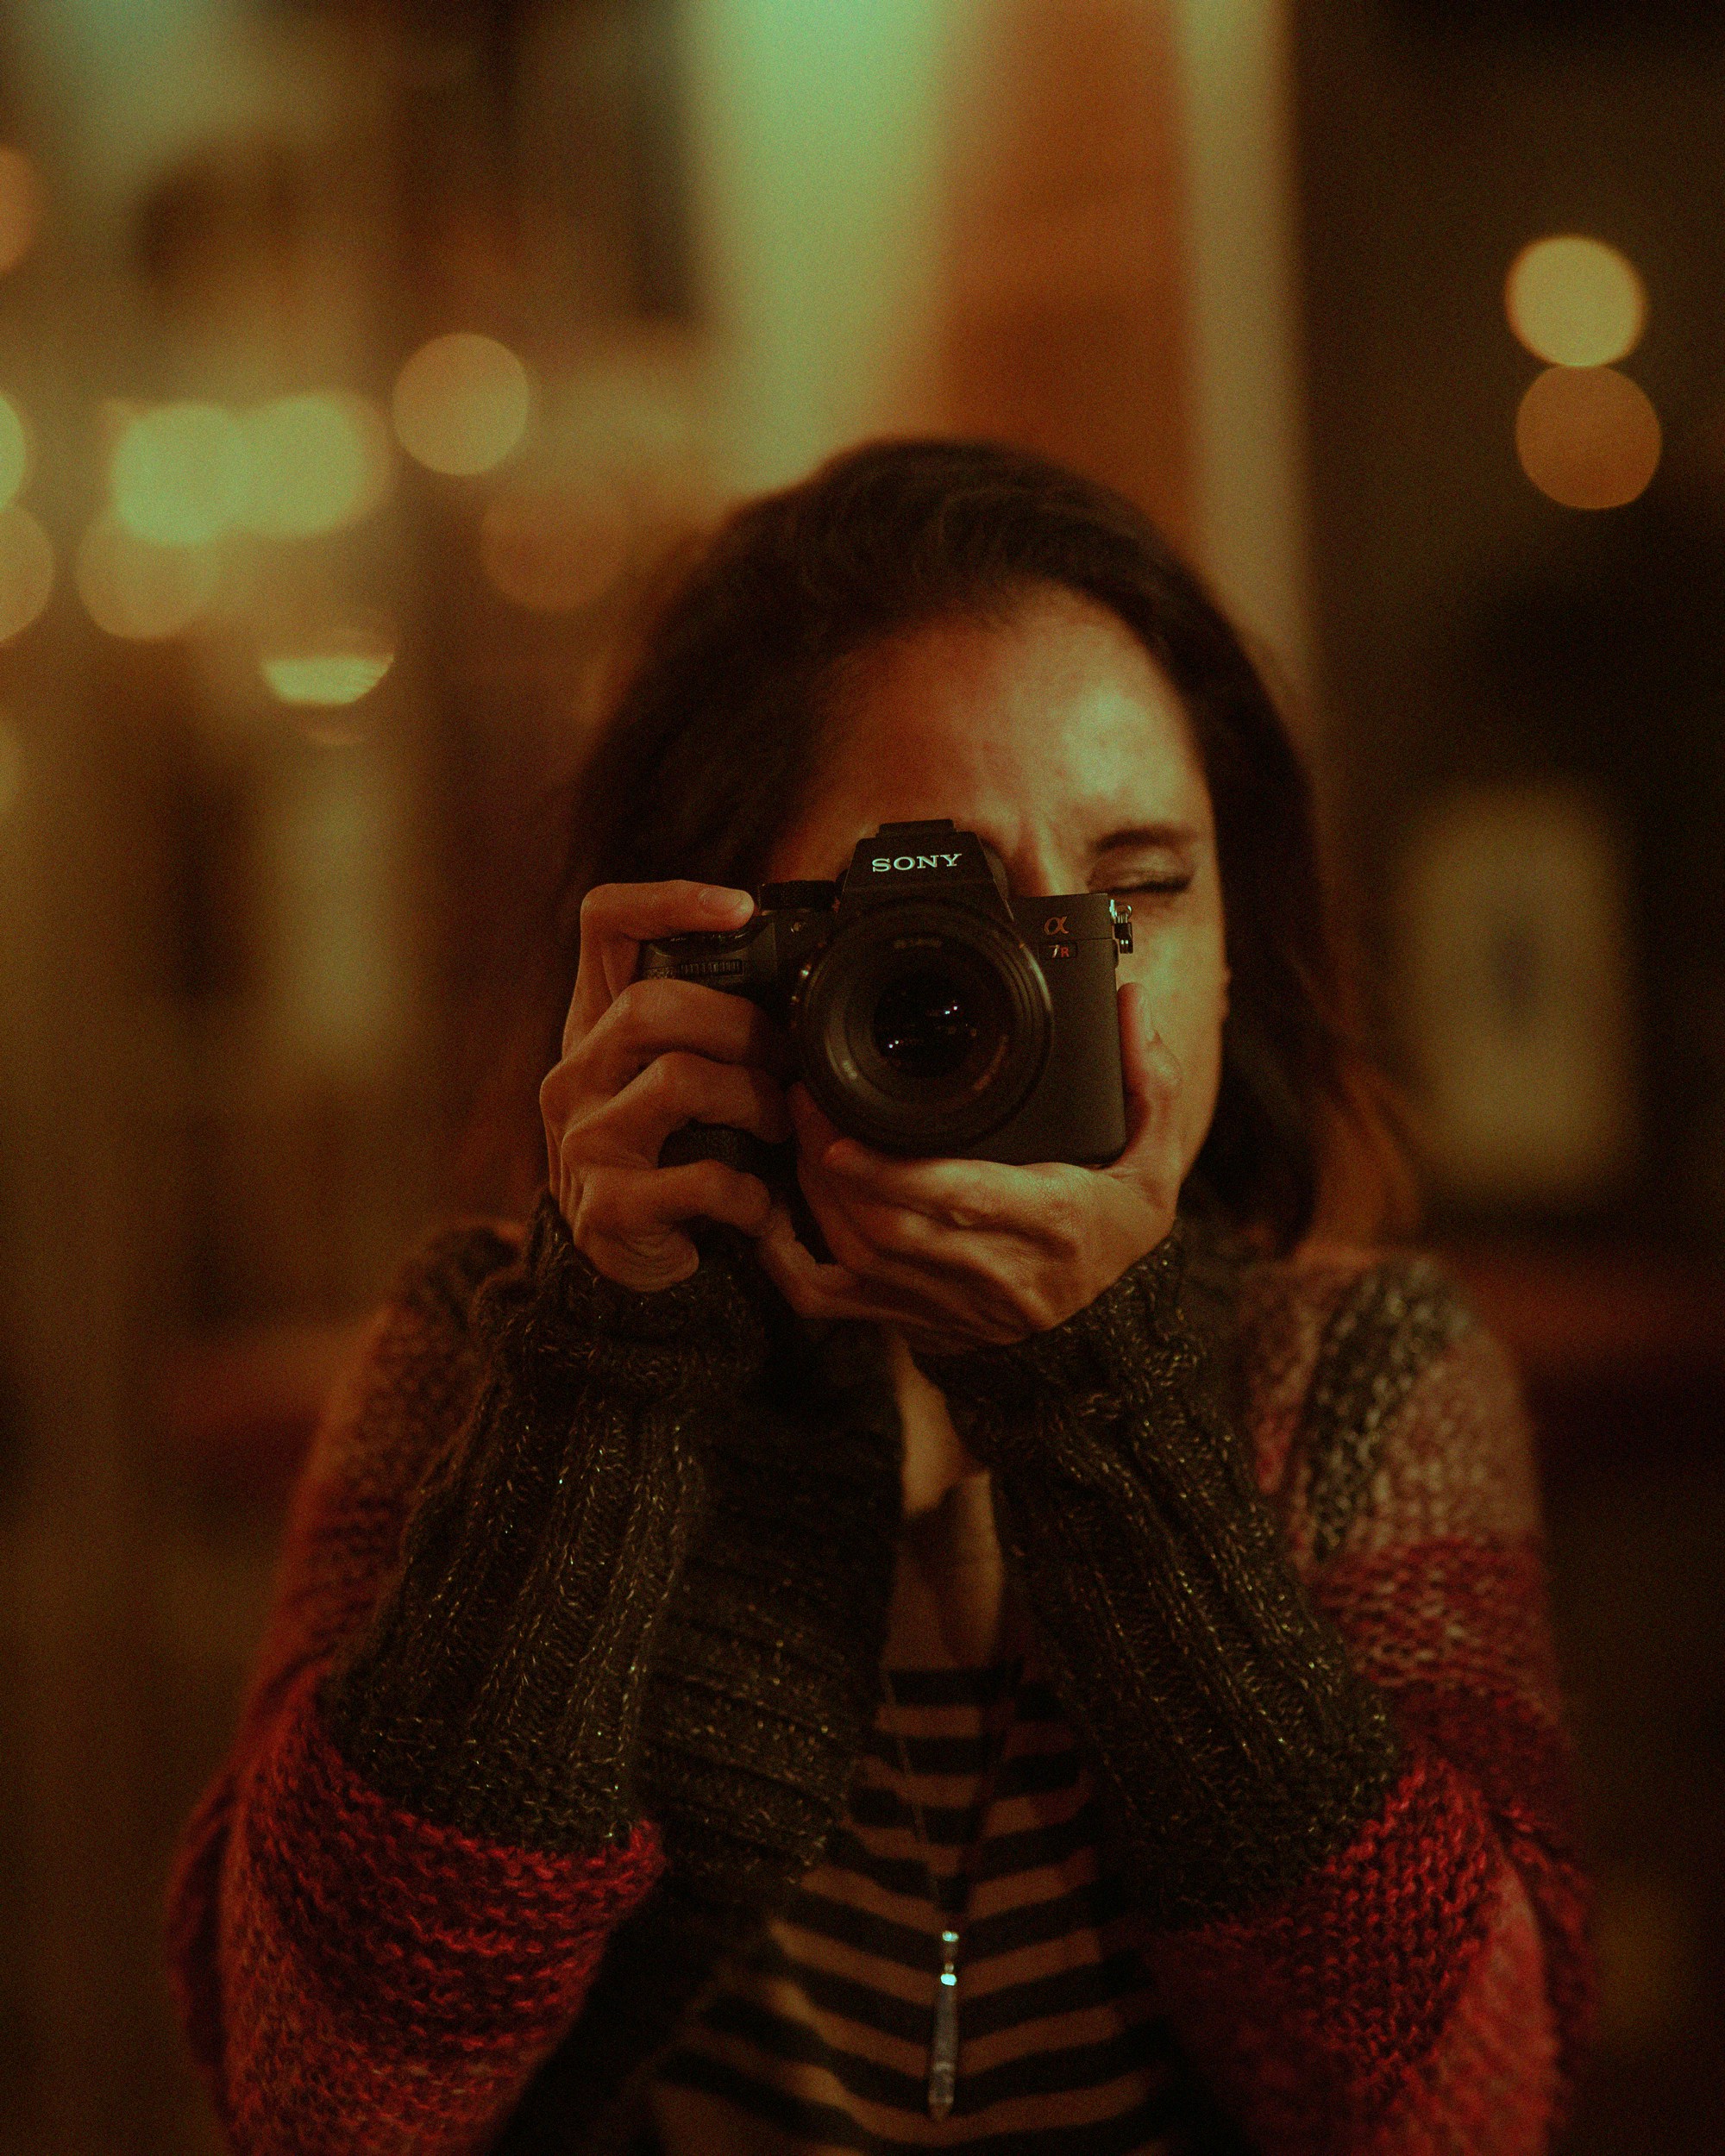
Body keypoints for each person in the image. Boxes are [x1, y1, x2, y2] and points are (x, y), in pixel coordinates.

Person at [166, 440, 1596, 2154]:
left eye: (1141, 885)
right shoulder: (495, 1363)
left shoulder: (1359, 1375)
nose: (1069, 992)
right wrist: (607, 1372)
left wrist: (1108, 1408)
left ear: (1237, 945)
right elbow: (322, 2100)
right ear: (717, 945)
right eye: (946, 915)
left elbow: (1465, 2108)